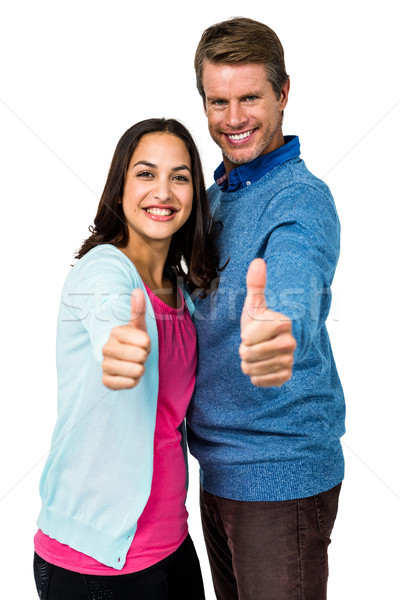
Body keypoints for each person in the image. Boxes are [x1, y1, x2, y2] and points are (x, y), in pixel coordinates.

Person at [185, 17, 346, 600]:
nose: (233, 119)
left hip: (280, 477)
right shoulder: (212, 198)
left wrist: (278, 329)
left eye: (250, 97)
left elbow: (292, 282)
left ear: (282, 94)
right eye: (218, 101)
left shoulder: (300, 199)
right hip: (218, 469)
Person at [33, 118, 222, 600]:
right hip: (96, 561)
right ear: (119, 188)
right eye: (145, 173)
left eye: (179, 177)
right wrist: (120, 345)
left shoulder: (182, 292)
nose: (163, 191)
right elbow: (112, 321)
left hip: (172, 545)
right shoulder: (103, 270)